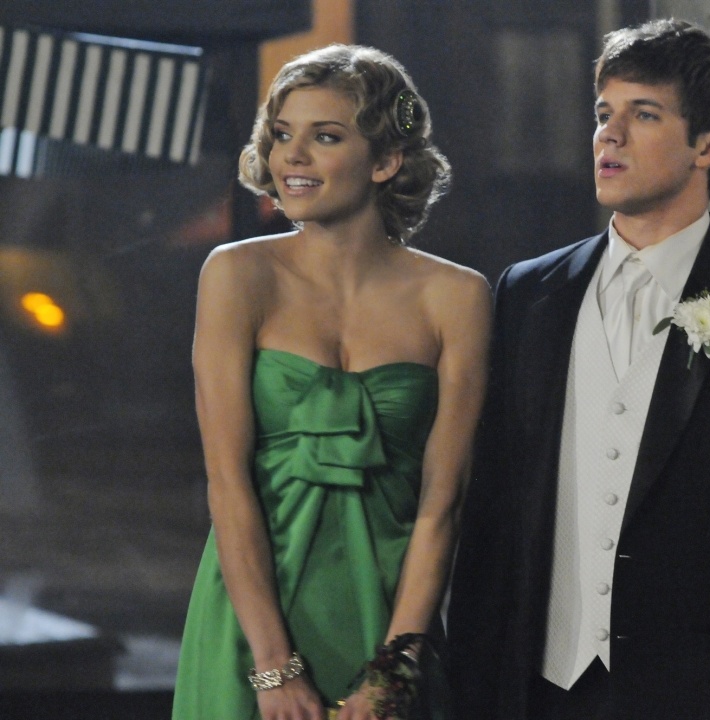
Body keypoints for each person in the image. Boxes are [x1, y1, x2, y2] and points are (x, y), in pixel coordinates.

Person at [446, 18, 710, 720]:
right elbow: (492, 519)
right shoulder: (526, 292)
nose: (608, 136)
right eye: (603, 113)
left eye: (643, 115)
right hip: (537, 693)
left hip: (701, 698)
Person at [173, 44, 490, 720]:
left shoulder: (457, 297)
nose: (292, 156)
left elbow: (443, 505)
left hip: (392, 619)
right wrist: (272, 666)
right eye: (282, 134)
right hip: (252, 623)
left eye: (324, 137)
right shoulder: (235, 275)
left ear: (385, 160)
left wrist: (395, 668)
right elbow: (227, 482)